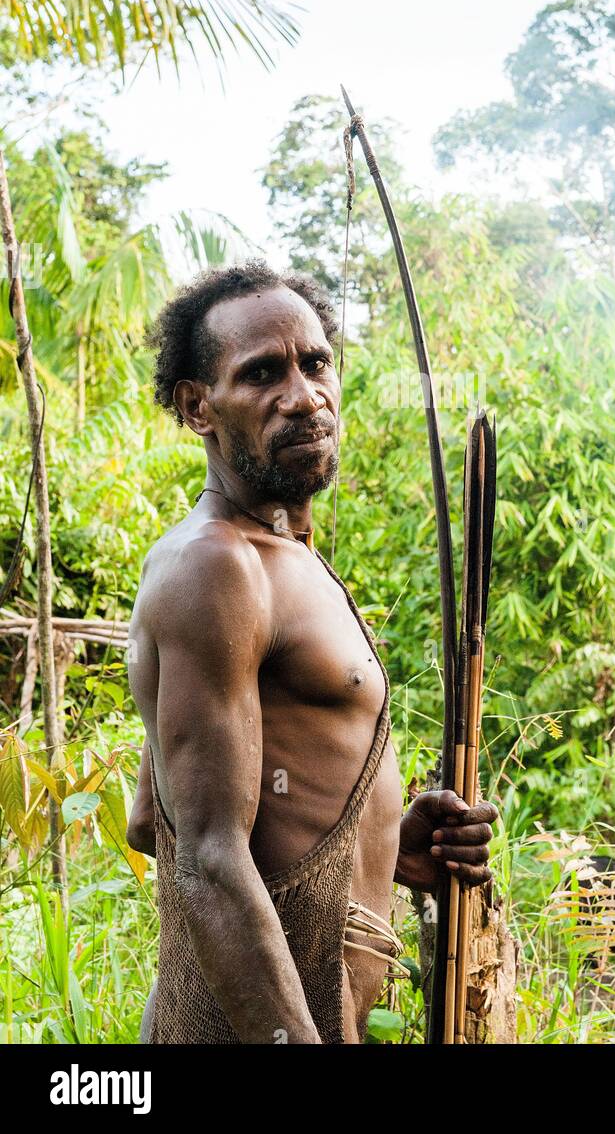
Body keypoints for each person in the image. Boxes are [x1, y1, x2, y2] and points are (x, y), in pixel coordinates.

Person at [126, 261, 496, 1044]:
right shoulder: (216, 565)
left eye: (315, 363)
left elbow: (147, 813)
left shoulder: (288, 553)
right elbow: (202, 856)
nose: (304, 396)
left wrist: (389, 839)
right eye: (262, 374)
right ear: (199, 407)